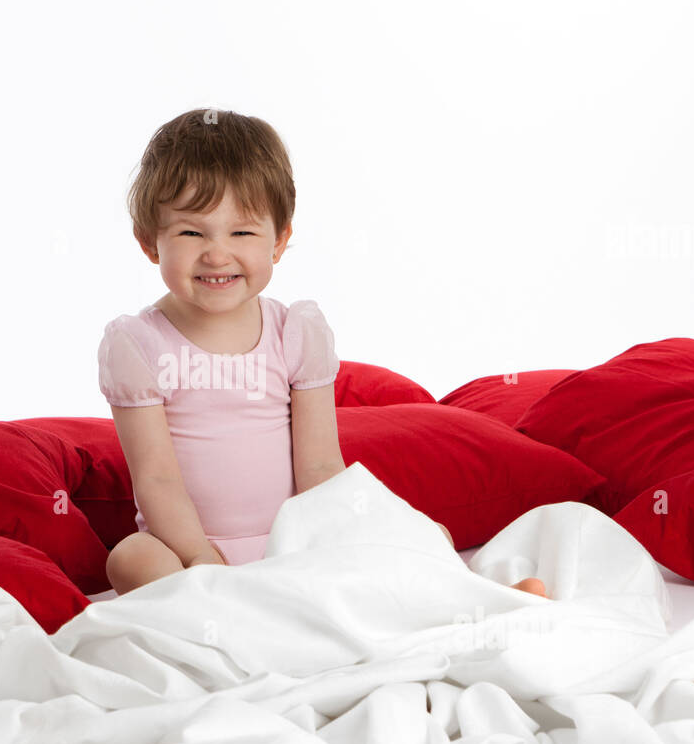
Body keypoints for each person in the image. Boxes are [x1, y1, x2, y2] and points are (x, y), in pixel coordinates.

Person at [97, 107, 547, 599]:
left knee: (423, 532)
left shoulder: (295, 332)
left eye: (241, 232)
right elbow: (157, 479)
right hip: (190, 551)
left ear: (280, 240)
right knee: (131, 558)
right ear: (149, 242)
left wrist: (339, 539)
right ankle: (230, 615)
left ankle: (484, 598)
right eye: (191, 232)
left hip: (296, 540)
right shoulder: (139, 345)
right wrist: (202, 557)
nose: (217, 254)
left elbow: (319, 468)